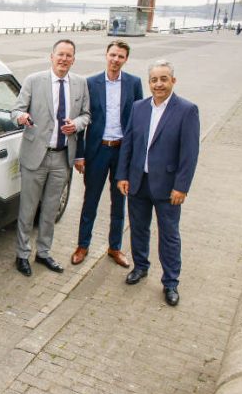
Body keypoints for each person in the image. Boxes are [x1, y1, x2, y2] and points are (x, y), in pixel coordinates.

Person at [116, 59, 200, 306]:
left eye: (164, 79)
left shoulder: (187, 110)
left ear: (173, 81)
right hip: (138, 183)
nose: (158, 84)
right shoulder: (139, 107)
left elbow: (189, 153)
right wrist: (122, 175)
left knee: (169, 235)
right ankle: (140, 267)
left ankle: (171, 282)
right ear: (149, 82)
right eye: (154, 79)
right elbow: (128, 143)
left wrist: (181, 187)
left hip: (168, 187)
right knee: (139, 229)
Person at [10, 39, 91, 276]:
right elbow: (15, 111)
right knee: (28, 209)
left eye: (69, 56)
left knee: (50, 211)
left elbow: (87, 115)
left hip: (62, 157)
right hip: (36, 156)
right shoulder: (34, 81)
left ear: (73, 59)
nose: (64, 59)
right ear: (51, 56)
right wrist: (21, 117)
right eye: (60, 55)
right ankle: (22, 254)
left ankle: (43, 253)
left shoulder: (80, 84)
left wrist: (76, 124)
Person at [71, 40, 143, 267]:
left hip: (122, 152)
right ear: (106, 55)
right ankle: (83, 245)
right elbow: (83, 120)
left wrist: (134, 158)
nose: (115, 60)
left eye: (120, 56)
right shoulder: (90, 83)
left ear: (126, 59)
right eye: (113, 55)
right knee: (90, 200)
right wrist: (80, 155)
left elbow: (139, 121)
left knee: (119, 202)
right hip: (97, 150)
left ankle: (115, 247)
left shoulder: (133, 83)